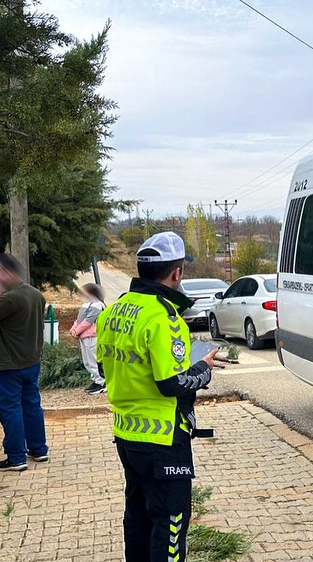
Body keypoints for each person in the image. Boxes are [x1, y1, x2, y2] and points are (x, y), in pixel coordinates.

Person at [97, 231, 219, 562]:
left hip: (127, 434)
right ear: (176, 272)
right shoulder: (165, 318)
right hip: (164, 439)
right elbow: (172, 383)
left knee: (137, 518)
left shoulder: (113, 311)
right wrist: (203, 369)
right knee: (170, 523)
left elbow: (104, 368)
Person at [0, 253, 49, 472]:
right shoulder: (35, 294)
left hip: (8, 365)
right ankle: (39, 449)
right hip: (31, 361)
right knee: (31, 405)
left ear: (5, 273)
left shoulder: (8, 299)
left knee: (10, 409)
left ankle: (16, 457)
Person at [69, 282, 107, 395]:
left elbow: (88, 321)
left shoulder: (97, 305)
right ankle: (95, 380)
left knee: (93, 360)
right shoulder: (86, 304)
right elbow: (79, 319)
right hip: (84, 336)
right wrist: (73, 329)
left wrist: (76, 331)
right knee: (87, 361)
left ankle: (102, 382)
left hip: (92, 336)